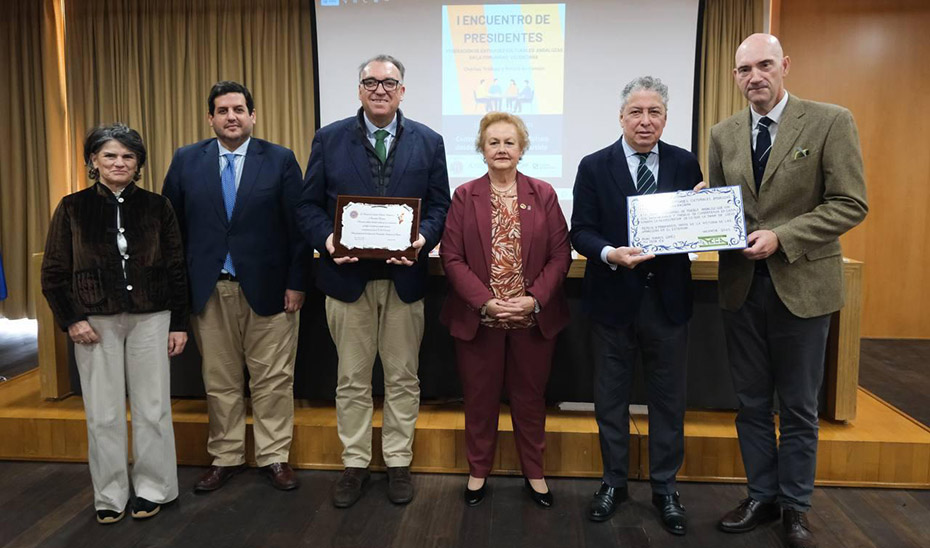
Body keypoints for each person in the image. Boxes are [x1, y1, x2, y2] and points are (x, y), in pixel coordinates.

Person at [709, 34, 867, 548]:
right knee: (752, 403)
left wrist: (785, 236)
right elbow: (723, 205)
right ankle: (761, 495)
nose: (754, 76)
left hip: (802, 284)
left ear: (785, 66)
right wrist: (703, 210)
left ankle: (795, 507)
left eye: (764, 65)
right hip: (740, 287)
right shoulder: (723, 133)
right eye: (743, 69)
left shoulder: (830, 120)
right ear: (735, 76)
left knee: (798, 405)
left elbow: (850, 203)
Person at [297, 54, 451, 508]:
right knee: (351, 379)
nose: (380, 90)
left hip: (405, 281)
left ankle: (399, 461)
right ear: (359, 89)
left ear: (403, 90)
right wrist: (328, 240)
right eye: (371, 82)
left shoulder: (429, 141)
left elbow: (441, 205)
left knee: (403, 377)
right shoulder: (329, 139)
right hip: (346, 280)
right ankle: (355, 463)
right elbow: (307, 206)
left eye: (390, 83)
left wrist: (422, 238)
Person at [570, 76, 702, 535]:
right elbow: (580, 230)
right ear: (621, 117)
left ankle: (666, 488)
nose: (645, 121)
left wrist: (706, 221)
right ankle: (614, 482)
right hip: (611, 301)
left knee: (669, 402)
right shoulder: (593, 165)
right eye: (636, 112)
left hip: (668, 302)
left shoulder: (686, 164)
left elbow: (697, 225)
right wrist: (610, 253)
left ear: (665, 118)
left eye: (655, 113)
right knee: (610, 401)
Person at [162, 81, 309, 493]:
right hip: (209, 291)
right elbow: (171, 230)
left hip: (271, 291)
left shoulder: (279, 159)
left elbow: (298, 230)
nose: (231, 116)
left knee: (273, 380)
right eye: (223, 110)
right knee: (220, 380)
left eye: (239, 109)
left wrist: (297, 283)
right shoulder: (186, 160)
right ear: (210, 118)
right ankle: (225, 456)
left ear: (253, 116)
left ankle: (274, 456)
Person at [41, 124, 189, 524]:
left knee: (153, 408)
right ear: (93, 160)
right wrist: (71, 319)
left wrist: (179, 322)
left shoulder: (158, 207)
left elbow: (177, 268)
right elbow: (53, 272)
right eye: (109, 155)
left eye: (128, 156)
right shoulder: (71, 207)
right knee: (103, 414)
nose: (119, 162)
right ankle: (109, 495)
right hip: (93, 321)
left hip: (152, 317)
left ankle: (153, 488)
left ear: (139, 162)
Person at [440, 112, 571, 508]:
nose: (501, 149)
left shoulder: (543, 193)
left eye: (509, 142)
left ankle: (535, 472)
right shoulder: (465, 196)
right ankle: (478, 472)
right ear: (482, 149)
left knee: (530, 400)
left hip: (532, 320)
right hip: (481, 319)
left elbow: (560, 254)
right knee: (479, 400)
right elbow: (451, 257)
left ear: (522, 148)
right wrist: (486, 302)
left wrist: (533, 300)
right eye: (493, 142)